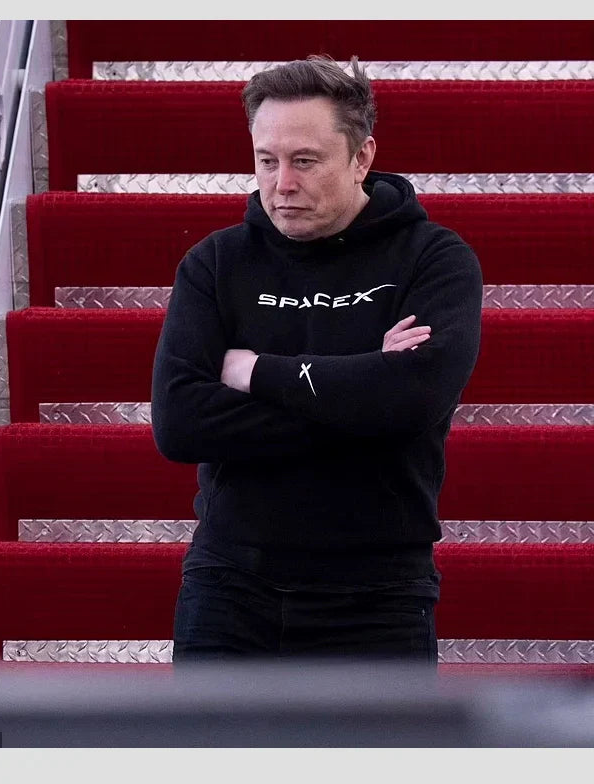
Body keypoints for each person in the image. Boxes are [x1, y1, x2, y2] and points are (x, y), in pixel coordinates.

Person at [151, 55, 483, 665]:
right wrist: (362, 389)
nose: (282, 184)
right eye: (266, 160)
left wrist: (255, 371)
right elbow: (180, 423)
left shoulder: (434, 259)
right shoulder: (215, 263)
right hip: (230, 585)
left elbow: (412, 397)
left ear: (361, 156)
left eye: (304, 161)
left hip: (378, 593)